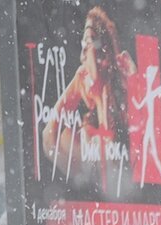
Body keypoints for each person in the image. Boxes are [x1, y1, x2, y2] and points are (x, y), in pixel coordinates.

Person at [41, 6, 134, 191]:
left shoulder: (121, 77)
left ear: (104, 51)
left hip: (126, 182)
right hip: (96, 186)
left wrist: (131, 81)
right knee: (73, 135)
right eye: (84, 38)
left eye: (90, 39)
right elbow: (48, 135)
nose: (84, 44)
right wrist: (77, 177)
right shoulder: (82, 77)